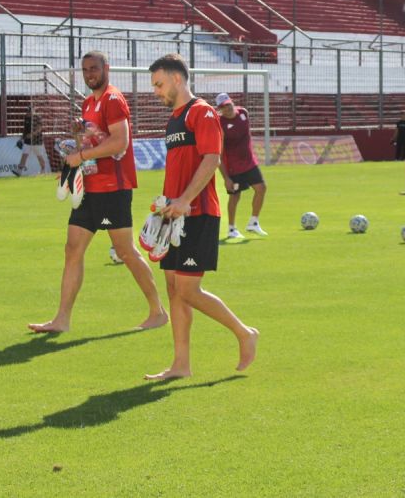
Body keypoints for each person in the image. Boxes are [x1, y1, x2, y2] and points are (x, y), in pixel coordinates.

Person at [28, 50, 168, 334]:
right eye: (85, 70)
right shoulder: (89, 103)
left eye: (94, 68)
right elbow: (93, 142)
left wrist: (82, 155)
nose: (90, 74)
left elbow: (120, 142)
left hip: (112, 188)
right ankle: (62, 319)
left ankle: (158, 311)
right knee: (72, 250)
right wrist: (78, 146)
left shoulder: (113, 100)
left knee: (126, 251)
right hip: (90, 187)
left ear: (107, 68)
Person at [145, 53, 258, 378]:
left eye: (159, 84)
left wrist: (184, 199)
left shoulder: (202, 113)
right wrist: (166, 206)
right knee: (173, 288)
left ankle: (244, 333)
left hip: (198, 213)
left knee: (188, 290)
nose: (156, 91)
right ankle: (180, 365)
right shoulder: (174, 118)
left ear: (177, 79)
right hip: (173, 215)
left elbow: (211, 159)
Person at [215, 92, 267, 239]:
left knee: (261, 188)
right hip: (233, 167)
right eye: (223, 107)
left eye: (228, 105)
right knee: (235, 197)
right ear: (220, 109)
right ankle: (231, 229)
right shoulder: (220, 123)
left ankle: (254, 222)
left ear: (232, 102)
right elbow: (219, 152)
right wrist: (226, 177)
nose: (227, 108)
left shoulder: (244, 113)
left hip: (249, 163)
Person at [14, 102, 48, 176]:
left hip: (37, 141)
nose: (28, 112)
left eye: (30, 111)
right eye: (27, 111)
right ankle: (19, 171)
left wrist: (32, 135)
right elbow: (25, 130)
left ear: (33, 110)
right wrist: (21, 139)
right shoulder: (26, 117)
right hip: (28, 141)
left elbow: (39, 128)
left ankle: (43, 170)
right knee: (24, 154)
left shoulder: (37, 117)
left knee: (39, 156)